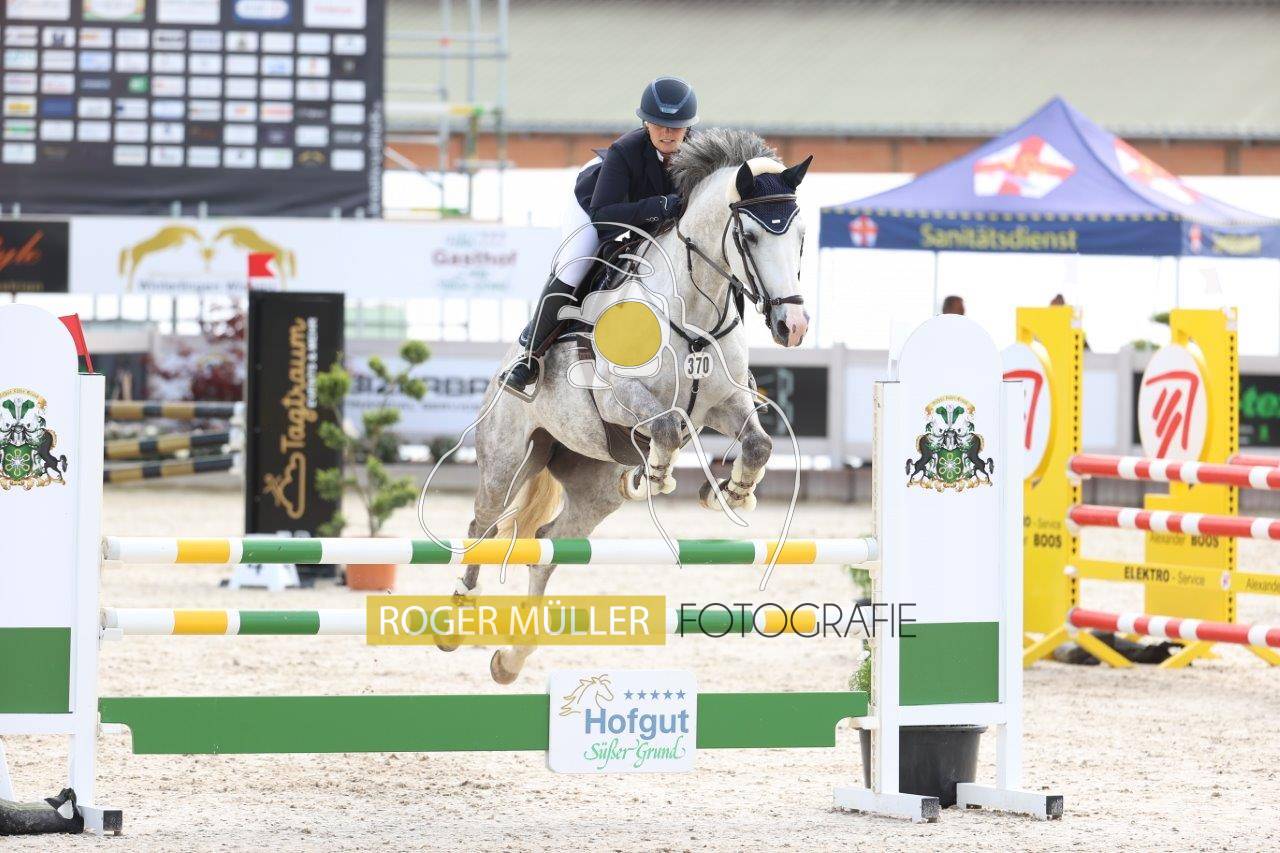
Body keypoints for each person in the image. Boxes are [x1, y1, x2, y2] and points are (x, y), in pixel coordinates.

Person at [502, 76, 698, 394]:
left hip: (652, 215)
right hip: (597, 201)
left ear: (688, 126)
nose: (667, 133)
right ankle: (529, 356)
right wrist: (658, 206)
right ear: (646, 123)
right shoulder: (625, 151)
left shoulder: (701, 155)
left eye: (676, 127)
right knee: (576, 263)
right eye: (660, 125)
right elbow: (603, 215)